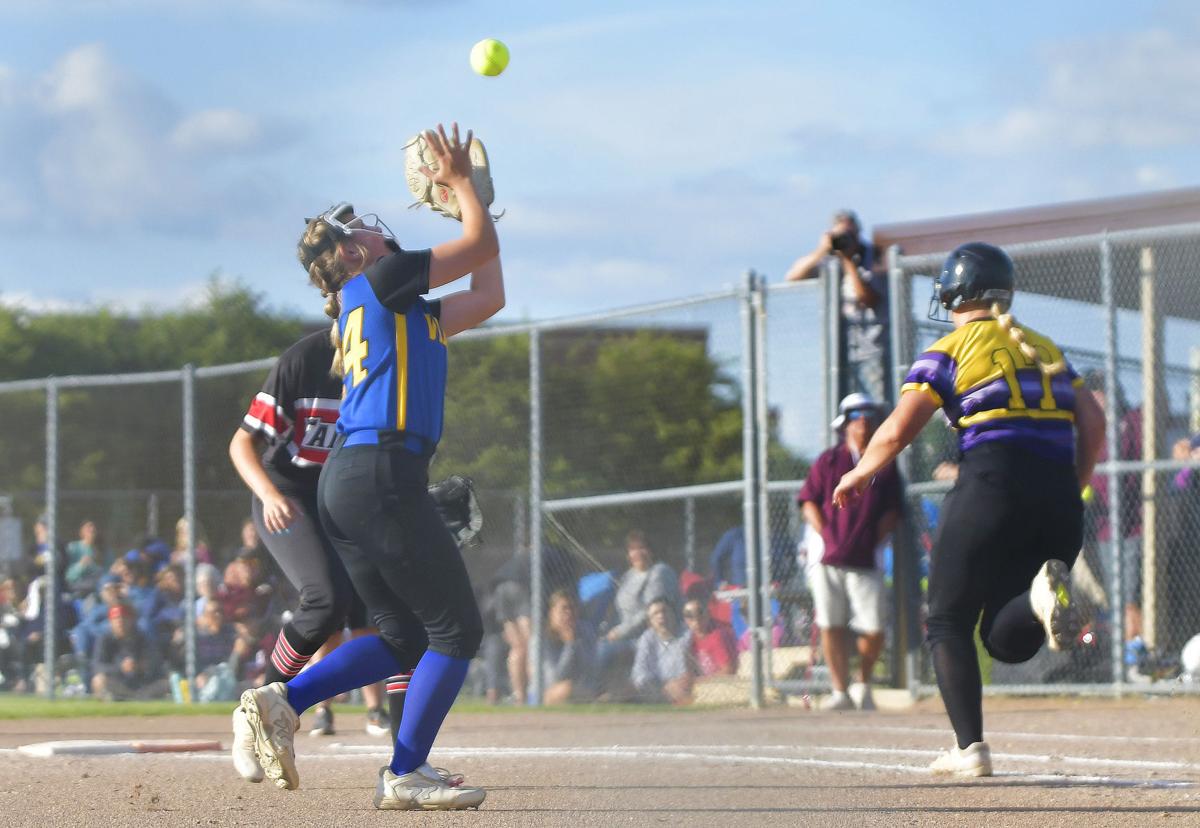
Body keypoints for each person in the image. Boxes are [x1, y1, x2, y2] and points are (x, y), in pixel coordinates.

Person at [237, 122, 502, 811]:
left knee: (402, 636)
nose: (385, 232)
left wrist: (478, 204)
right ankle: (405, 770)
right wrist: (463, 191)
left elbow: (489, 289)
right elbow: (475, 247)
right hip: (380, 473)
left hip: (351, 481)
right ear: (355, 249)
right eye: (369, 229)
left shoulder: (393, 304)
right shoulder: (382, 278)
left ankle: (281, 700)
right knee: (456, 631)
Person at [832, 242, 1105, 776]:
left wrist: (861, 471)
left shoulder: (951, 347)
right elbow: (1092, 422)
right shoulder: (1046, 346)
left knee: (946, 620)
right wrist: (1072, 486)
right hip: (1057, 496)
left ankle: (970, 748)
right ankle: (1036, 599)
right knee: (1005, 640)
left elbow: (898, 429)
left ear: (957, 292)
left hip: (992, 481)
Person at [228, 319, 389, 752]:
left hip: (346, 502)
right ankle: (260, 708)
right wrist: (269, 495)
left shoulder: (389, 359)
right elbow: (242, 445)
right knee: (326, 600)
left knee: (386, 612)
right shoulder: (304, 360)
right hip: (289, 495)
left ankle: (398, 738)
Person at [798, 392, 900, 712]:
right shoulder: (828, 460)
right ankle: (840, 691)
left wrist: (871, 539)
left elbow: (893, 511)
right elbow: (809, 501)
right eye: (856, 416)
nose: (864, 422)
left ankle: (862, 684)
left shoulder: (884, 465)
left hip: (865, 559)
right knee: (832, 624)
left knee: (873, 628)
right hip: (827, 559)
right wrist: (827, 534)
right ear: (845, 423)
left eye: (869, 416)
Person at [785, 209, 888, 402]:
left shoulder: (873, 256)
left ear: (859, 234)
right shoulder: (831, 258)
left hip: (872, 352)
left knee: (874, 411)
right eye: (841, 235)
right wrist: (822, 250)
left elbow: (867, 298)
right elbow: (793, 276)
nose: (846, 239)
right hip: (839, 353)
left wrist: (848, 261)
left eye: (850, 234)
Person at [537, 589, 596, 704]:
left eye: (572, 608)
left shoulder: (584, 630)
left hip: (581, 687)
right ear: (552, 612)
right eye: (564, 609)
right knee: (567, 688)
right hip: (547, 691)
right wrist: (570, 645)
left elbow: (591, 668)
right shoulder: (541, 638)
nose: (569, 613)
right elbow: (555, 678)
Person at [631, 597, 694, 705]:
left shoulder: (687, 635)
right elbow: (639, 672)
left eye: (664, 611)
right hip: (654, 689)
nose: (661, 616)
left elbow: (686, 669)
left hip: (682, 688)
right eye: (655, 613)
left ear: (674, 614)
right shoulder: (647, 638)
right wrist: (660, 687)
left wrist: (676, 683)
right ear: (650, 621)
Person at [682, 598, 737, 678]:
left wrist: (705, 681)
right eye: (690, 616)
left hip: (716, 684)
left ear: (707, 615)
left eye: (700, 614)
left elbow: (728, 670)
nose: (696, 621)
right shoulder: (688, 640)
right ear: (685, 620)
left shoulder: (715, 637)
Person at [65, 520, 104, 597]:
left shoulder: (101, 551)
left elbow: (103, 571)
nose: (92, 529)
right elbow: (68, 575)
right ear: (81, 532)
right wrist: (81, 565)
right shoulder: (73, 547)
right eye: (88, 527)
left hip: (96, 588)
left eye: (93, 528)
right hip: (77, 588)